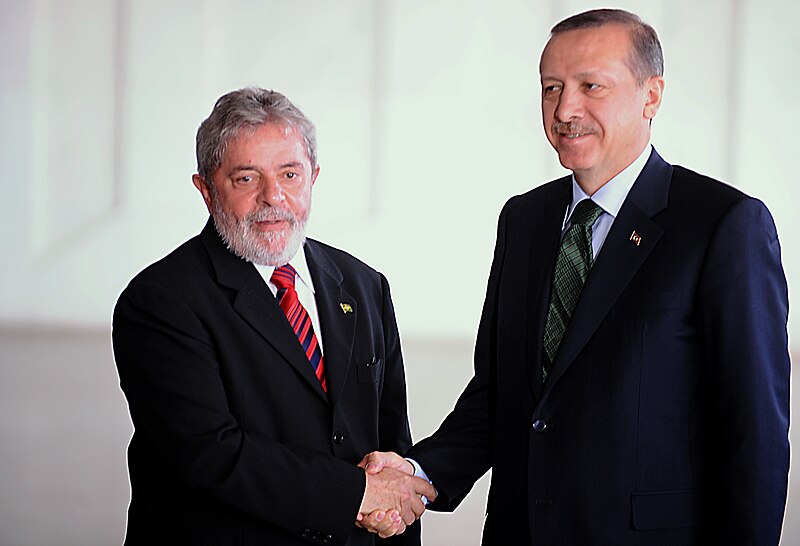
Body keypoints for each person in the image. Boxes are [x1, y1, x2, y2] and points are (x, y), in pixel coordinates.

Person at [359, 8, 790, 544]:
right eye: (551, 88)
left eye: (591, 86)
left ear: (651, 95)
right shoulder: (524, 219)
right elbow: (498, 397)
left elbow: (754, 438)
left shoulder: (723, 224)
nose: (565, 108)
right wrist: (417, 476)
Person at [112, 87, 434, 545]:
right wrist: (356, 494)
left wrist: (394, 508)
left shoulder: (363, 285)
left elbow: (390, 445)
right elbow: (210, 455)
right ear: (205, 189)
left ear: (314, 177)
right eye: (246, 178)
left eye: (290, 174)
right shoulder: (159, 302)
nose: (273, 197)